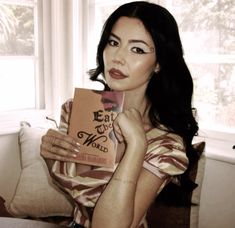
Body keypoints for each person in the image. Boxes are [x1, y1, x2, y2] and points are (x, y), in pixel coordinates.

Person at [40, 1, 199, 228]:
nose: (117, 57)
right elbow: (76, 189)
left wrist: (136, 145)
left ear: (158, 64)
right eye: (113, 42)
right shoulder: (78, 110)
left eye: (137, 49)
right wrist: (50, 156)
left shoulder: (165, 145)